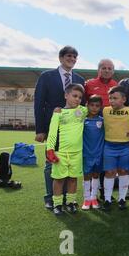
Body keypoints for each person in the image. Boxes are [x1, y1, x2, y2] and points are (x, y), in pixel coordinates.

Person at [34, 46, 85, 210]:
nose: (72, 59)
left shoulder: (79, 78)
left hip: (71, 131)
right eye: (69, 56)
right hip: (53, 126)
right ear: (61, 58)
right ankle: (51, 198)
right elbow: (39, 103)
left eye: (75, 57)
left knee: (69, 169)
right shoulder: (47, 76)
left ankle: (67, 199)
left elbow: (81, 107)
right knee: (52, 163)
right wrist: (40, 130)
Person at [46, 84, 88, 216]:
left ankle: (71, 202)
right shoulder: (58, 112)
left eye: (80, 97)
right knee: (59, 179)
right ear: (66, 95)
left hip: (77, 153)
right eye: (74, 96)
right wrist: (50, 150)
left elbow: (94, 107)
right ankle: (57, 204)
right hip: (61, 153)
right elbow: (52, 132)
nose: (77, 99)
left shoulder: (83, 110)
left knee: (73, 179)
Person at [102, 86, 129, 211]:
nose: (112, 101)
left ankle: (122, 199)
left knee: (123, 171)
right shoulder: (105, 110)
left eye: (115, 98)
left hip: (125, 146)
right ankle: (107, 199)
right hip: (109, 145)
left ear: (123, 99)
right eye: (110, 98)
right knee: (109, 172)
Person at [81, 95, 104, 210]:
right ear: (87, 105)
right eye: (92, 105)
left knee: (96, 175)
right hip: (86, 154)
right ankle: (86, 198)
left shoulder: (102, 121)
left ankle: (94, 198)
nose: (94, 108)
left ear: (100, 107)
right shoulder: (82, 121)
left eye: (97, 106)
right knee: (86, 176)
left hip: (99, 154)